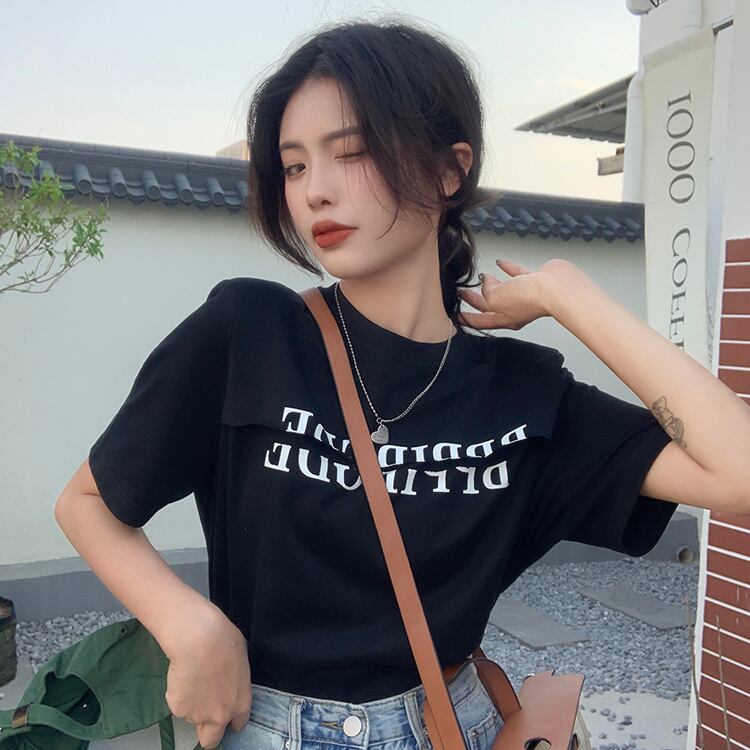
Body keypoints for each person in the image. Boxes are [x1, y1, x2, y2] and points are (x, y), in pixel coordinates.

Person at [55, 16, 750, 750]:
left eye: (351, 152)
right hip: (268, 729)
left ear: (449, 172)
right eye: (294, 167)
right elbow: (87, 502)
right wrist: (189, 624)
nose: (315, 192)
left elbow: (736, 471)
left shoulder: (524, 396)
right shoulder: (249, 333)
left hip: (447, 727)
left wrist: (567, 294)